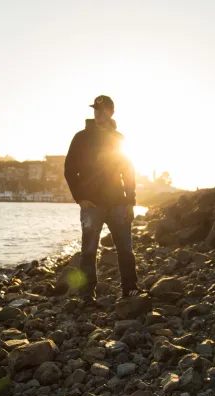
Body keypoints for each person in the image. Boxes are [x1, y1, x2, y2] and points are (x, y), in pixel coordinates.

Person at [64, 95, 139, 305]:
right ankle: (87, 295)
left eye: (103, 110)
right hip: (91, 205)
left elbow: (129, 171)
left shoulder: (119, 138)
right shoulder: (81, 137)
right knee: (88, 251)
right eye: (96, 110)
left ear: (112, 113)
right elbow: (69, 170)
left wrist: (131, 201)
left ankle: (130, 289)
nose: (98, 114)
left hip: (118, 203)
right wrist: (80, 198)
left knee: (125, 249)